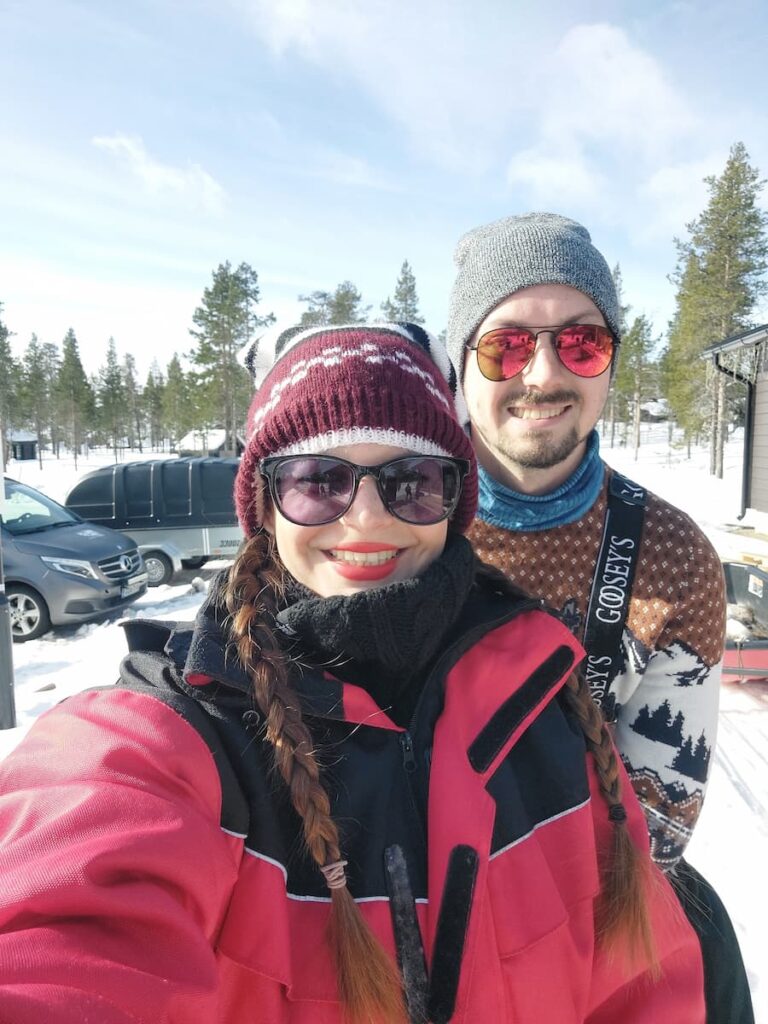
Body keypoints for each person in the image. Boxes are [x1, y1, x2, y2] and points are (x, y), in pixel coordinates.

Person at [0, 323, 704, 1023]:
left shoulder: (548, 702)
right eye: (317, 480)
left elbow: (643, 984)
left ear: (453, 501)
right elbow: (62, 931)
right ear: (264, 506)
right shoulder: (176, 733)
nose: (365, 516)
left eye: (411, 481)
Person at [444, 212, 753, 1021]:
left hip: (579, 924)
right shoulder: (396, 517)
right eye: (505, 346)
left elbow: (660, 820)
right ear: (460, 364)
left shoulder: (670, 554)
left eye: (580, 343)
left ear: (610, 363)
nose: (542, 374)